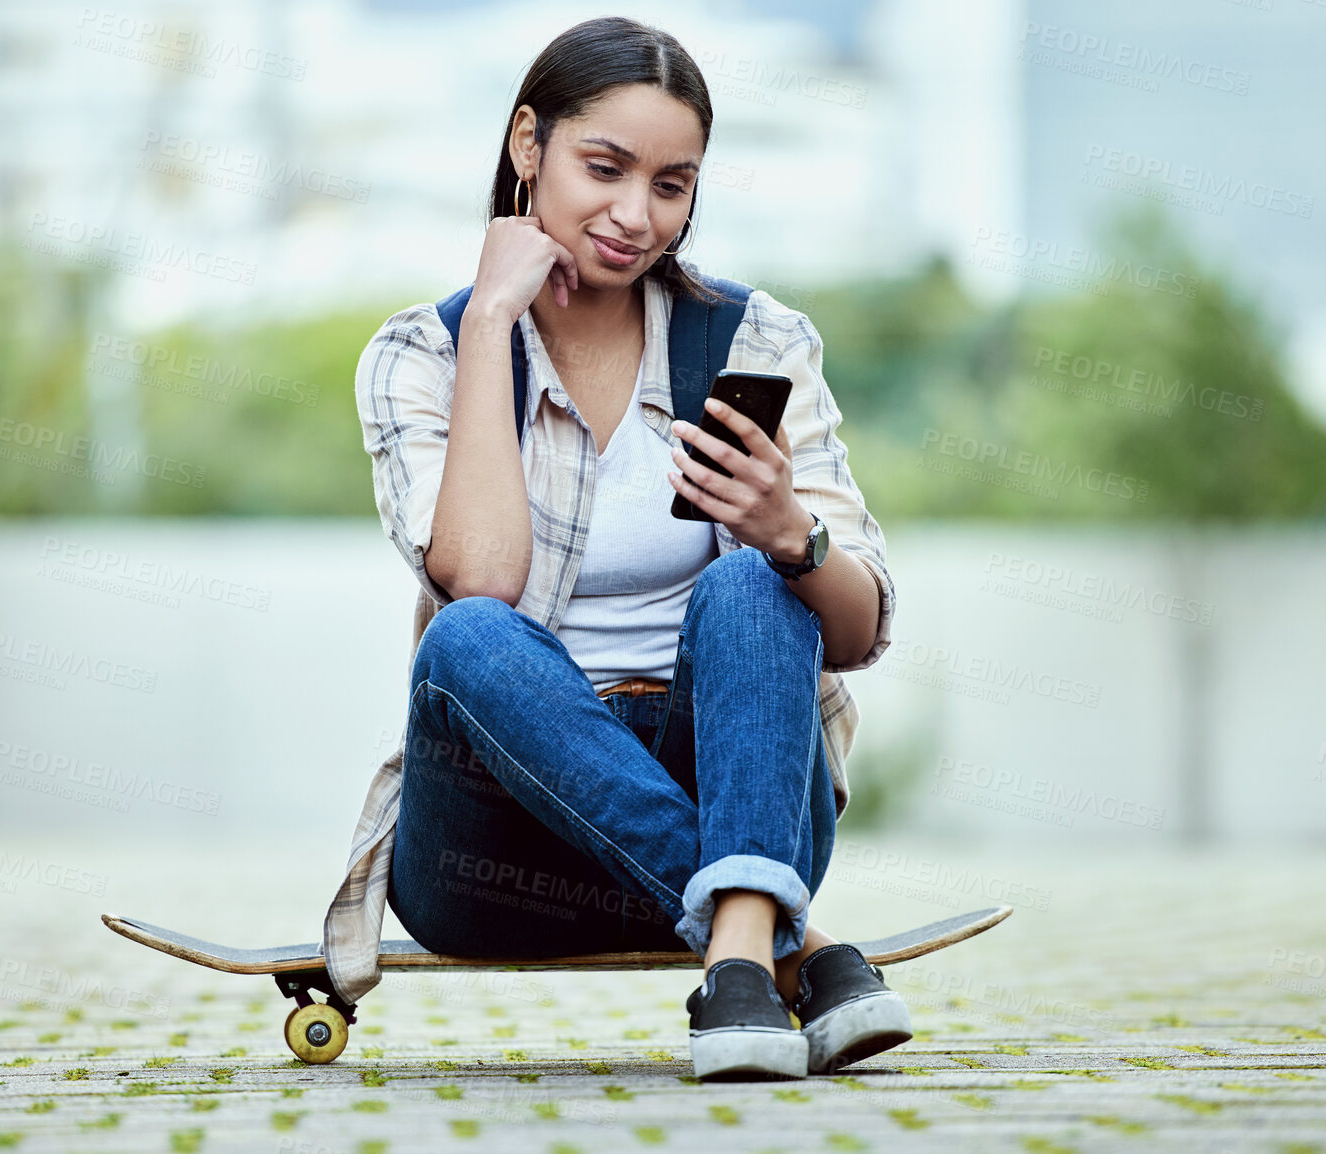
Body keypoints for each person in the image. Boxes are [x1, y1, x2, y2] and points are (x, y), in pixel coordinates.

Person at [336, 16, 907, 1081]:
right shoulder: (420, 352)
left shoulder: (753, 340)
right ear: (527, 144)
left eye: (672, 184)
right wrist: (492, 324)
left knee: (753, 579)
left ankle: (736, 960)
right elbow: (486, 577)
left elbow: (861, 625)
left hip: (742, 786)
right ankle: (784, 942)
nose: (637, 215)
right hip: (494, 845)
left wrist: (790, 531)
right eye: (605, 167)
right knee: (467, 637)